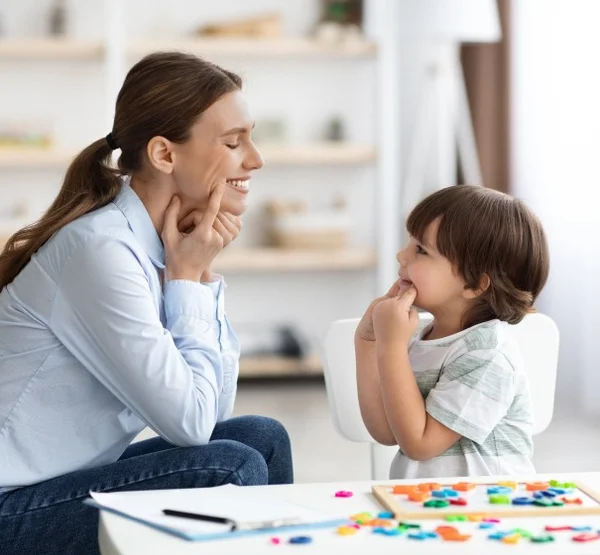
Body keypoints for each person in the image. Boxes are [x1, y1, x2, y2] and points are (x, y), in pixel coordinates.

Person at [0, 52, 293, 555]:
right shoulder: (100, 251)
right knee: (230, 467)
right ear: (164, 154)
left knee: (262, 438)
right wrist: (186, 281)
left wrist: (199, 276)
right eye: (233, 142)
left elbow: (212, 412)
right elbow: (191, 426)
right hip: (11, 509)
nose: (255, 159)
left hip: (59, 487)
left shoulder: (157, 244)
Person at [356, 185, 549, 479]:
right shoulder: (420, 335)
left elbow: (420, 444)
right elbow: (386, 431)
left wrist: (392, 345)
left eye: (421, 250)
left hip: (487, 509)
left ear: (474, 285)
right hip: (428, 506)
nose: (401, 255)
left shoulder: (487, 355)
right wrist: (368, 340)